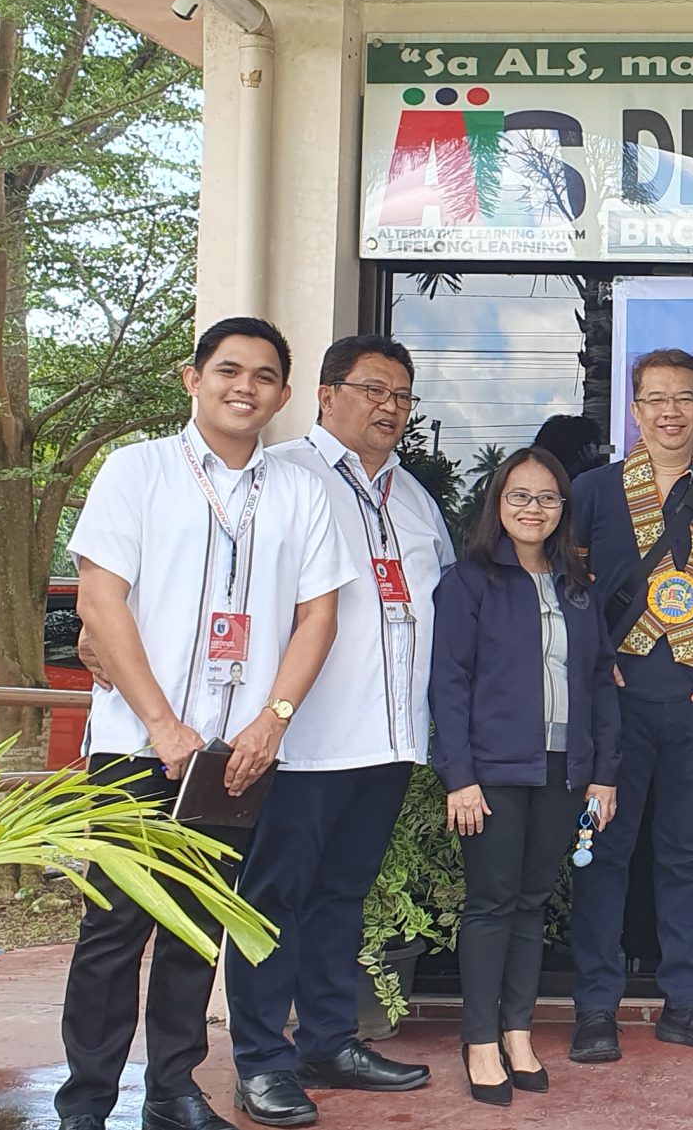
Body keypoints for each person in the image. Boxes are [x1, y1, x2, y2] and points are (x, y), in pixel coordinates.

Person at [56, 318, 350, 1130]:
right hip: (135, 746)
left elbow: (317, 616)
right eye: (228, 369)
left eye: (263, 375)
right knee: (113, 929)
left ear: (284, 396)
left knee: (195, 929)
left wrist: (272, 723)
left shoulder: (299, 490)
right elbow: (99, 600)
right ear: (193, 378)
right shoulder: (137, 471)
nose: (244, 386)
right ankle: (85, 1101)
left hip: (235, 757)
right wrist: (161, 721)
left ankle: (173, 1089)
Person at [223, 336, 450, 1124]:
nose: (389, 406)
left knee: (340, 897)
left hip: (386, 739)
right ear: (325, 395)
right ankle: (260, 1059)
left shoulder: (415, 500)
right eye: (372, 389)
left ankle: (329, 1038)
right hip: (301, 739)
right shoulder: (280, 477)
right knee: (270, 900)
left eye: (402, 395)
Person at [564, 347, 693, 1062]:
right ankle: (594, 1007)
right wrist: (592, 669)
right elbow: (570, 589)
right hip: (613, 709)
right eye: (656, 398)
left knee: (687, 852)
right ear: (636, 408)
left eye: (684, 397)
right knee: (601, 852)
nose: (670, 411)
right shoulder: (592, 490)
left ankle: (688, 1000)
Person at [431, 451, 623, 1106]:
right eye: (519, 496)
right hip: (490, 772)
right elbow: (448, 685)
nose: (533, 508)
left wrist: (603, 774)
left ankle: (517, 1031)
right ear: (498, 503)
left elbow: (600, 680)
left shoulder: (578, 586)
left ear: (562, 509)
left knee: (533, 901)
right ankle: (479, 1038)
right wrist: (458, 776)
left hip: (564, 769)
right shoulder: (469, 580)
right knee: (491, 902)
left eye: (547, 498)